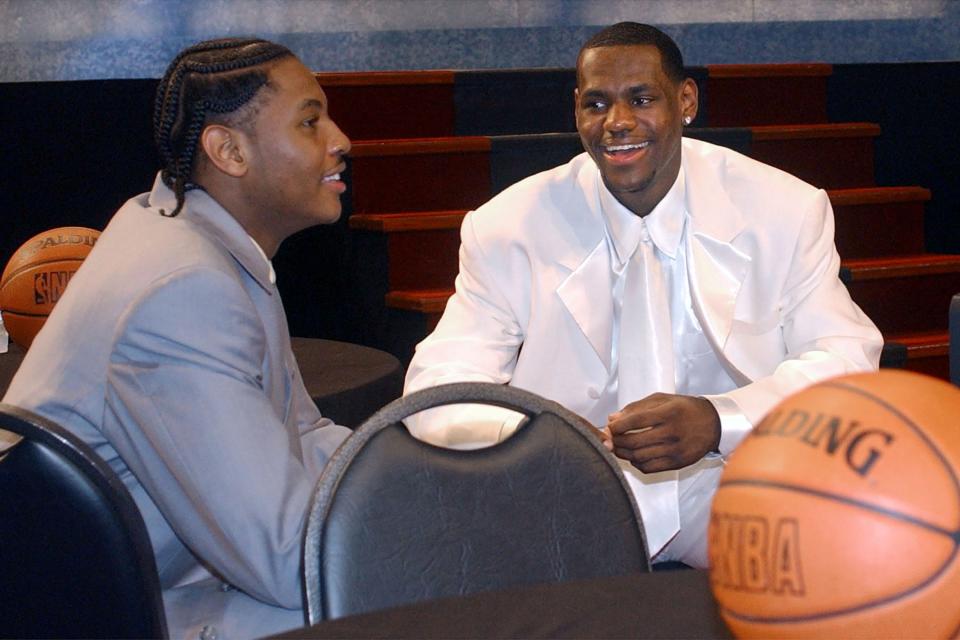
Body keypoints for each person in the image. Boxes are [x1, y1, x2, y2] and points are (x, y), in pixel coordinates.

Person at [403, 22, 882, 567]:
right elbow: (437, 389)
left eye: (642, 99)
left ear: (686, 101)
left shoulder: (784, 208)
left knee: (867, 556)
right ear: (577, 110)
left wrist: (722, 419)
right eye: (597, 103)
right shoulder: (508, 225)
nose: (618, 123)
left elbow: (848, 363)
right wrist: (545, 436)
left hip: (732, 478)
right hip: (566, 495)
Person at [3, 38, 352, 639]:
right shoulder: (181, 287)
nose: (340, 140)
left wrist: (419, 477)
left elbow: (303, 434)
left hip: (164, 582)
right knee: (381, 592)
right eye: (310, 121)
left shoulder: (192, 233)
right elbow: (290, 558)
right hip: (108, 615)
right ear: (228, 151)